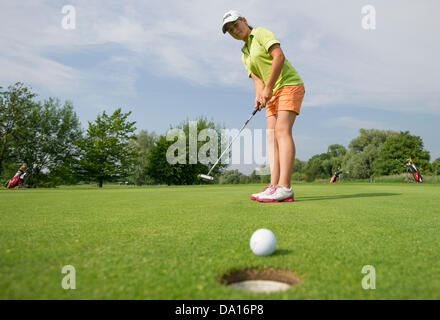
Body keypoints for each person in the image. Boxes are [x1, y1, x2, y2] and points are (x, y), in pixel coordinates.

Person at [222, 10, 305, 202]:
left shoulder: (259, 33)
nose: (234, 30)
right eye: (230, 30)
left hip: (288, 84)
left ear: (244, 21)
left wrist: (268, 89)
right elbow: (256, 78)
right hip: (271, 92)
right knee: (271, 138)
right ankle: (273, 186)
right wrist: (259, 96)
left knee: (282, 131)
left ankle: (285, 187)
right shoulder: (244, 53)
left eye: (235, 25)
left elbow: (279, 57)